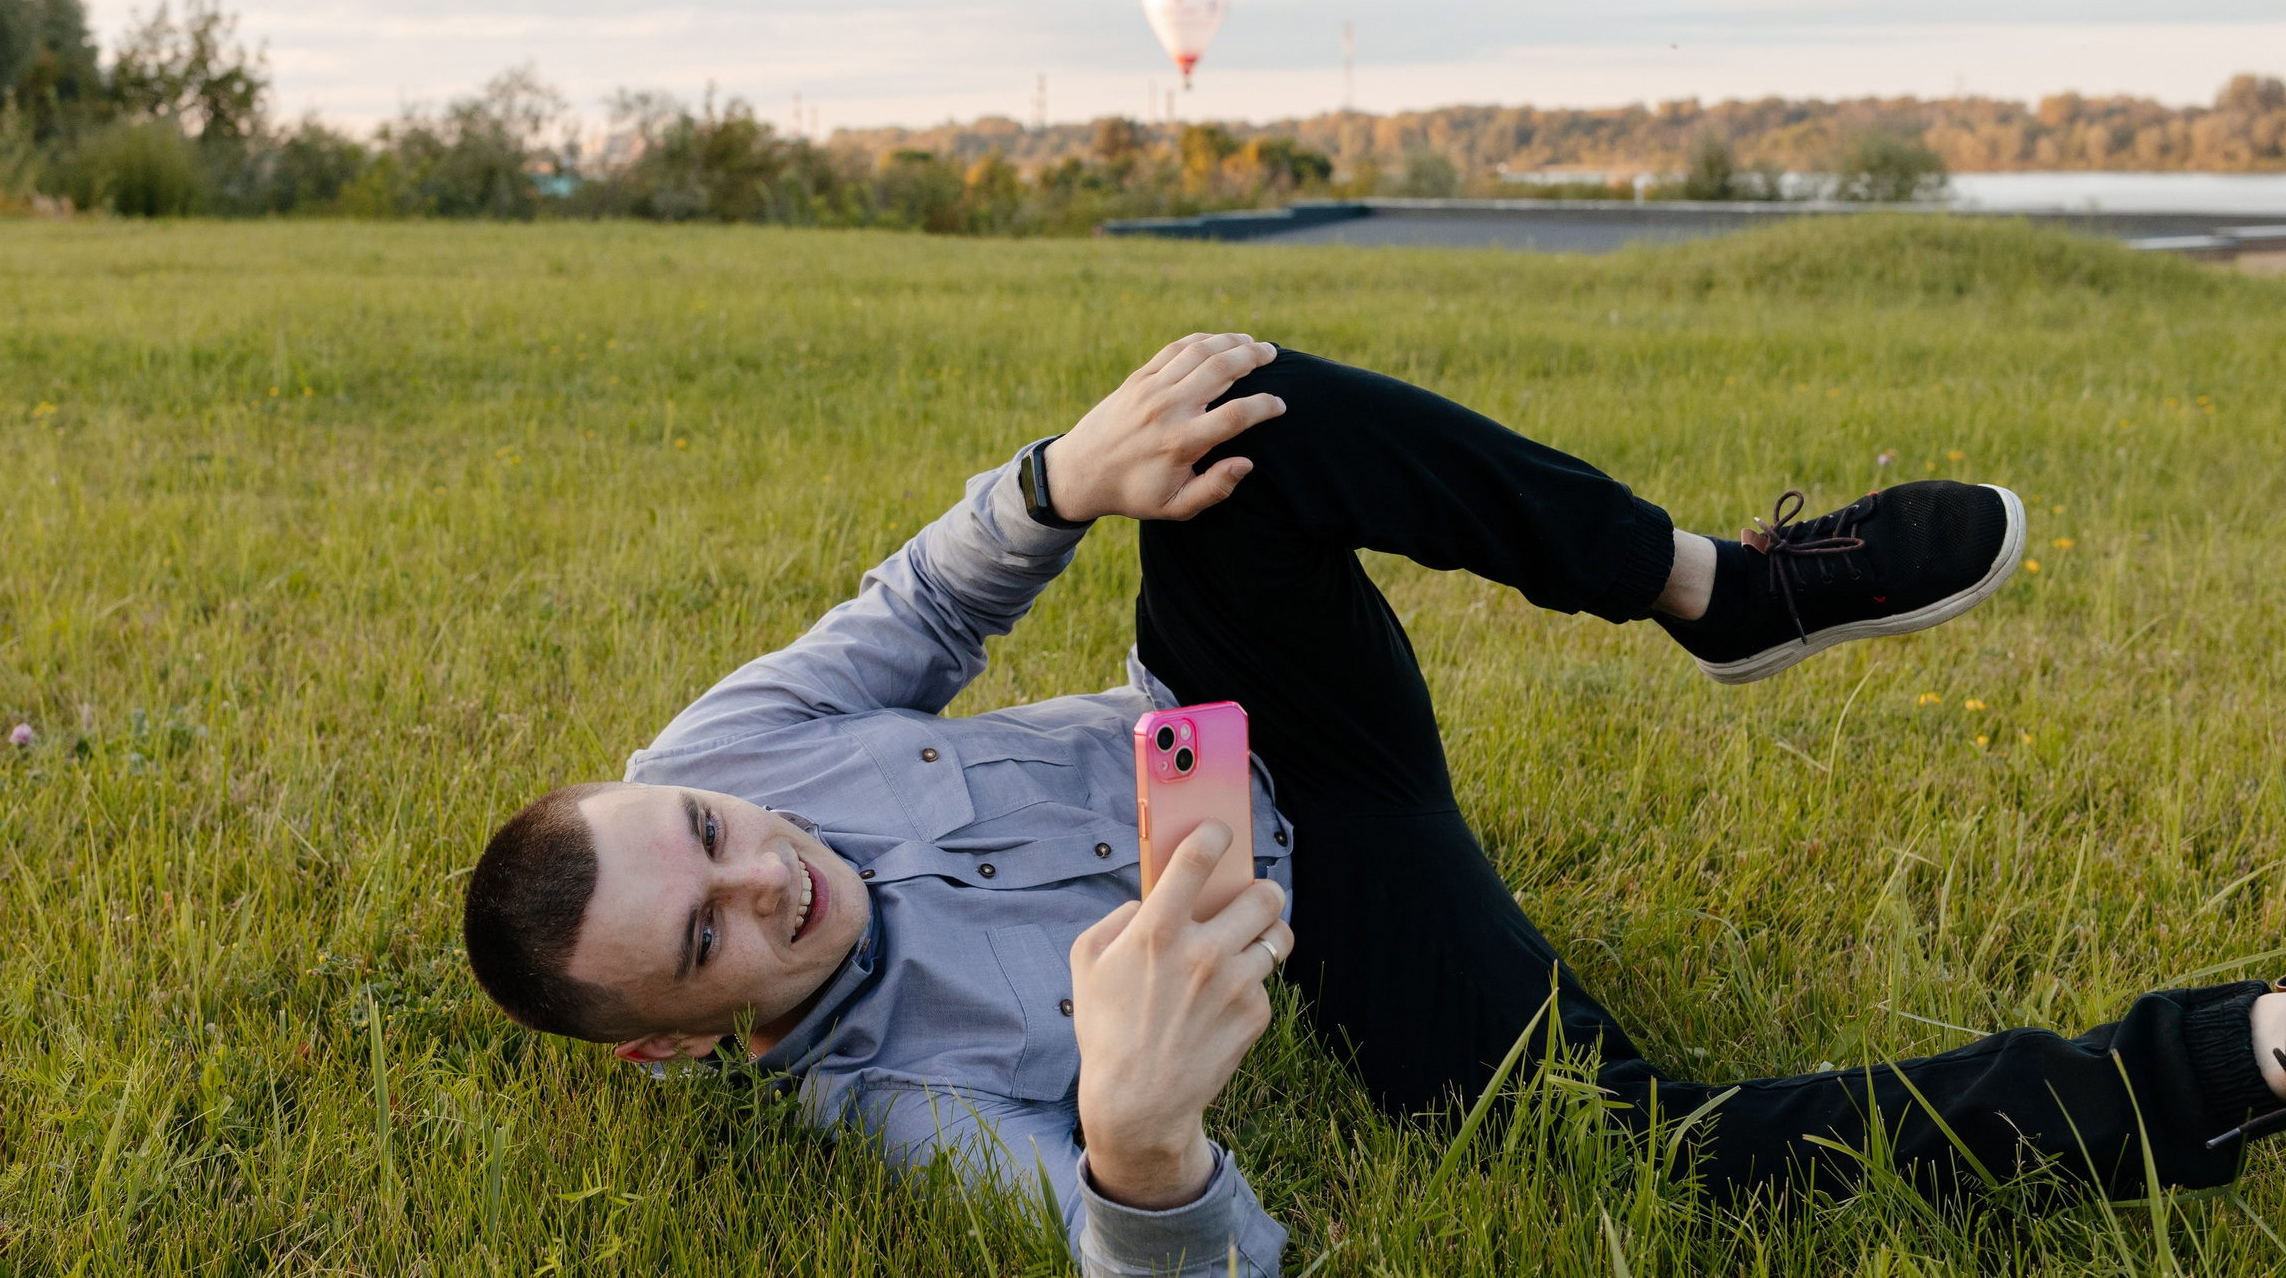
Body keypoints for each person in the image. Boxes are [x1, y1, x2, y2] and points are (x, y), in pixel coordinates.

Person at [464, 337, 2286, 1277]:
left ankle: (1719, 585)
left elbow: (923, 608)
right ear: (674, 1050)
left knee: (1226, 412)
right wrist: (1141, 1143)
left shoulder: (728, 747)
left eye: (708, 830)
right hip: (1351, 928)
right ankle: (2241, 1056)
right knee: (1669, 1162)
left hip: (1250, 716)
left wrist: (1057, 480)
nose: (761, 873)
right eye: (704, 937)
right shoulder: (892, 1101)